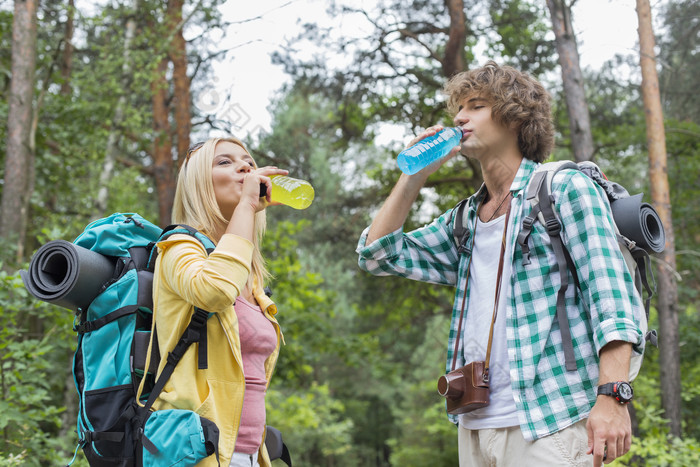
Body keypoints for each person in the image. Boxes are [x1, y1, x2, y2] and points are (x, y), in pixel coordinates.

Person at [356, 62, 644, 466]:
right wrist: (411, 178)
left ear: (514, 117)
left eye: (475, 106)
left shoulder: (563, 188)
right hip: (474, 423)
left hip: (551, 422)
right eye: (458, 108)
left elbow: (611, 297)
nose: (459, 117)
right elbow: (377, 254)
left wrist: (613, 397)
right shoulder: (466, 219)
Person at [150, 137, 287, 467]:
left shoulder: (251, 278)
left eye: (248, 161)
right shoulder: (178, 246)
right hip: (196, 452)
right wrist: (245, 208)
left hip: (248, 454)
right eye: (224, 162)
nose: (245, 166)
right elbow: (214, 292)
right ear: (198, 184)